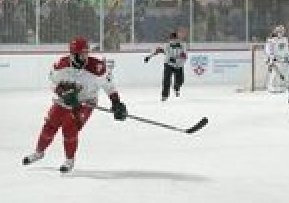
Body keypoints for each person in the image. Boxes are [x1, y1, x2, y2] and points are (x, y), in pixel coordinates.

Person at [21, 36, 127, 173]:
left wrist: (116, 103)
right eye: (82, 54)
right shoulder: (61, 65)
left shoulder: (98, 67)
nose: (85, 56)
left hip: (86, 102)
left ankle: (69, 160)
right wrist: (62, 93)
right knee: (50, 125)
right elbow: (52, 82)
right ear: (73, 55)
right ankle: (39, 152)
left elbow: (110, 87)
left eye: (86, 53)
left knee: (70, 126)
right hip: (64, 100)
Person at [144, 31, 187, 101]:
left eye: (174, 39)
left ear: (177, 39)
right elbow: (158, 50)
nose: (172, 41)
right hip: (168, 64)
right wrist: (149, 56)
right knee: (166, 79)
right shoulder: (167, 45)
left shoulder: (182, 45)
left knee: (180, 80)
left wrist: (179, 59)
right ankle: (164, 95)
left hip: (179, 65)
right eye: (171, 39)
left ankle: (176, 87)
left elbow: (184, 55)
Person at [264, 25, 289, 93]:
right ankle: (271, 86)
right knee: (274, 73)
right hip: (274, 59)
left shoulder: (285, 39)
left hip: (282, 59)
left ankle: (281, 86)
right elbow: (268, 50)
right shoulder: (271, 40)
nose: (281, 33)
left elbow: (286, 50)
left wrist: (287, 57)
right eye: (279, 32)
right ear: (276, 32)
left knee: (284, 73)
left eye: (282, 32)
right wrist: (271, 58)